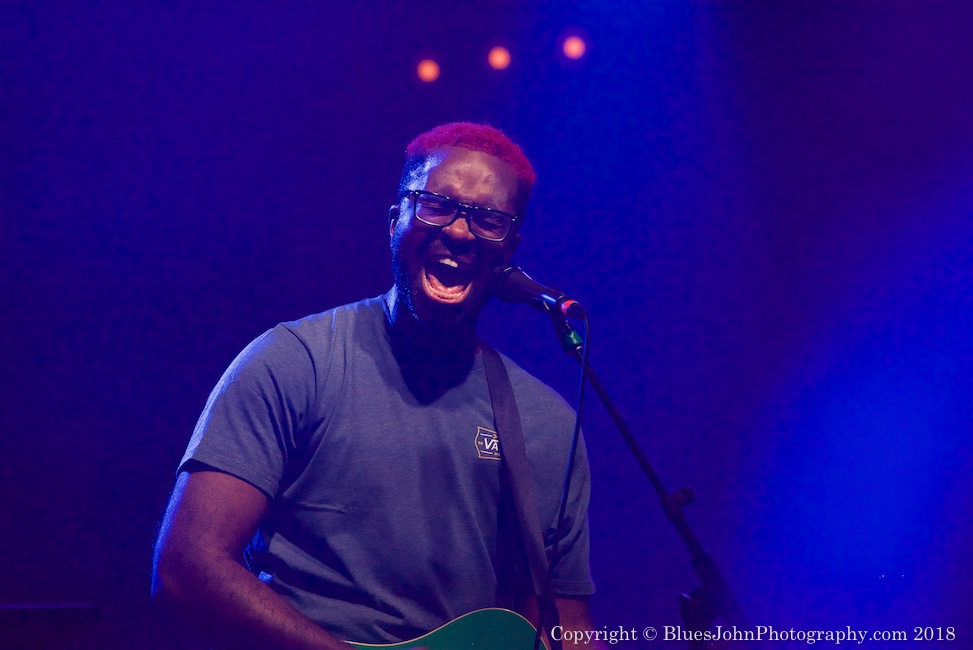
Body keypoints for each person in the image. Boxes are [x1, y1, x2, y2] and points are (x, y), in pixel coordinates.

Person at [152, 122, 602, 649]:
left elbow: (564, 631)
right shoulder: (294, 363)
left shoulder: (546, 425)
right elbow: (186, 566)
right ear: (396, 222)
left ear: (509, 251)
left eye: (489, 220)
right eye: (436, 204)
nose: (459, 232)